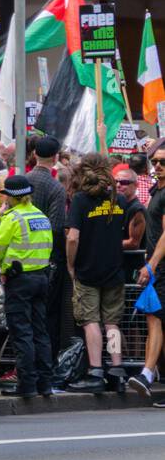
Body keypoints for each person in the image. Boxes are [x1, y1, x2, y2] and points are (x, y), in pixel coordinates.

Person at [65, 154, 127, 392]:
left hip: (88, 269)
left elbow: (72, 237)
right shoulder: (118, 199)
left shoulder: (81, 200)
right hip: (114, 268)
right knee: (112, 323)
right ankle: (116, 369)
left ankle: (95, 371)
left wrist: (71, 265)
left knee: (91, 322)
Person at [0, 176, 54, 399]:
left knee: (22, 332)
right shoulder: (40, 215)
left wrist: (0, 265)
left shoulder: (13, 218)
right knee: (40, 331)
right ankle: (45, 383)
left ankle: (27, 384)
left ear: (11, 196)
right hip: (41, 277)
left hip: (19, 280)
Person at [27, 135, 69, 363]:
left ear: (34, 154)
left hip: (21, 258)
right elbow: (56, 226)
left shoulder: (23, 181)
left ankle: (25, 364)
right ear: (55, 158)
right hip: (48, 260)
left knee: (25, 316)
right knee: (48, 314)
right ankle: (46, 363)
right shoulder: (56, 188)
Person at [132, 144, 165, 404]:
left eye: (163, 161)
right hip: (157, 266)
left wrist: (152, 264)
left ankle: (146, 373)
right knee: (154, 318)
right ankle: (150, 373)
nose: (158, 165)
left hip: (161, 267)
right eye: (155, 161)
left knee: (154, 317)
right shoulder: (158, 190)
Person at [115, 166, 146, 253]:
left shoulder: (136, 209)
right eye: (115, 181)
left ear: (136, 185)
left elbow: (133, 243)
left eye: (124, 182)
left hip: (131, 263)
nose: (118, 185)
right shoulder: (117, 205)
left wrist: (106, 243)